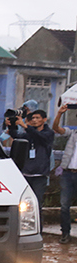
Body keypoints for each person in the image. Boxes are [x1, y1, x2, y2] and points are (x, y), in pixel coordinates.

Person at [7, 109, 54, 233]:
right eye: (33, 118)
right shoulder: (29, 133)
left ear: (44, 119)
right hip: (26, 173)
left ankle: (38, 231)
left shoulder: (48, 133)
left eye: (38, 118)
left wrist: (25, 126)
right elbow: (16, 135)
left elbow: (40, 137)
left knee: (36, 204)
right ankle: (22, 229)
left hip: (39, 175)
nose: (35, 120)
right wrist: (11, 125)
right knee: (22, 204)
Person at [52, 104, 77, 243]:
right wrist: (60, 113)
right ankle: (65, 233)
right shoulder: (73, 133)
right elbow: (56, 129)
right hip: (68, 174)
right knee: (64, 205)